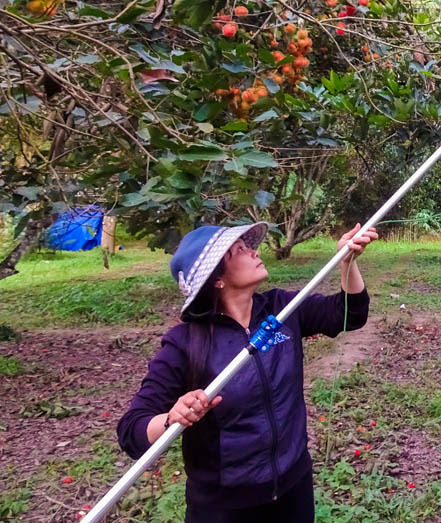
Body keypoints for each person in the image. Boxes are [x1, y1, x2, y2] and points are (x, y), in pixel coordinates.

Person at [117, 221, 378, 523]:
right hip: (224, 507)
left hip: (293, 487)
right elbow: (131, 431)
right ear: (216, 278)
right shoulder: (185, 343)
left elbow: (349, 314)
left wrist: (347, 261)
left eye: (247, 245)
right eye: (239, 250)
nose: (253, 252)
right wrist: (170, 418)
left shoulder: (280, 310)